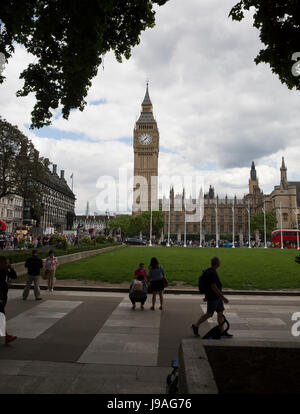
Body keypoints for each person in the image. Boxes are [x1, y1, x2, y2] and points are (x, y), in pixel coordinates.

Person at [191, 256, 233, 338]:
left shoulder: (210, 271)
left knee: (220, 313)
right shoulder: (212, 273)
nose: (220, 263)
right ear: (217, 263)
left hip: (216, 297)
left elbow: (208, 286)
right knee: (209, 314)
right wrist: (223, 297)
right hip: (214, 297)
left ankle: (222, 331)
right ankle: (196, 325)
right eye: (219, 262)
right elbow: (213, 287)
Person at [0, 257, 18, 344]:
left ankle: (7, 336)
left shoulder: (6, 270)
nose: (7, 264)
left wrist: (11, 268)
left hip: (3, 296)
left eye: (8, 263)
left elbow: (14, 276)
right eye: (5, 263)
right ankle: (7, 336)